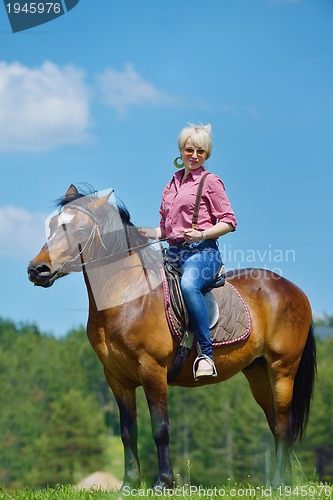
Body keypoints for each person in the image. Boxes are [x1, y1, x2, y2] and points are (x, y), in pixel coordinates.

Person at [141, 124, 237, 380]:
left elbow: (229, 222)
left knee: (189, 285)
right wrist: (145, 232)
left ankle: (206, 355)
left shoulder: (211, 182)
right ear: (181, 151)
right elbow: (165, 229)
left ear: (207, 155)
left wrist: (203, 234)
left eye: (200, 151)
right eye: (189, 150)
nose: (194, 155)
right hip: (173, 253)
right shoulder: (171, 184)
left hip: (203, 253)